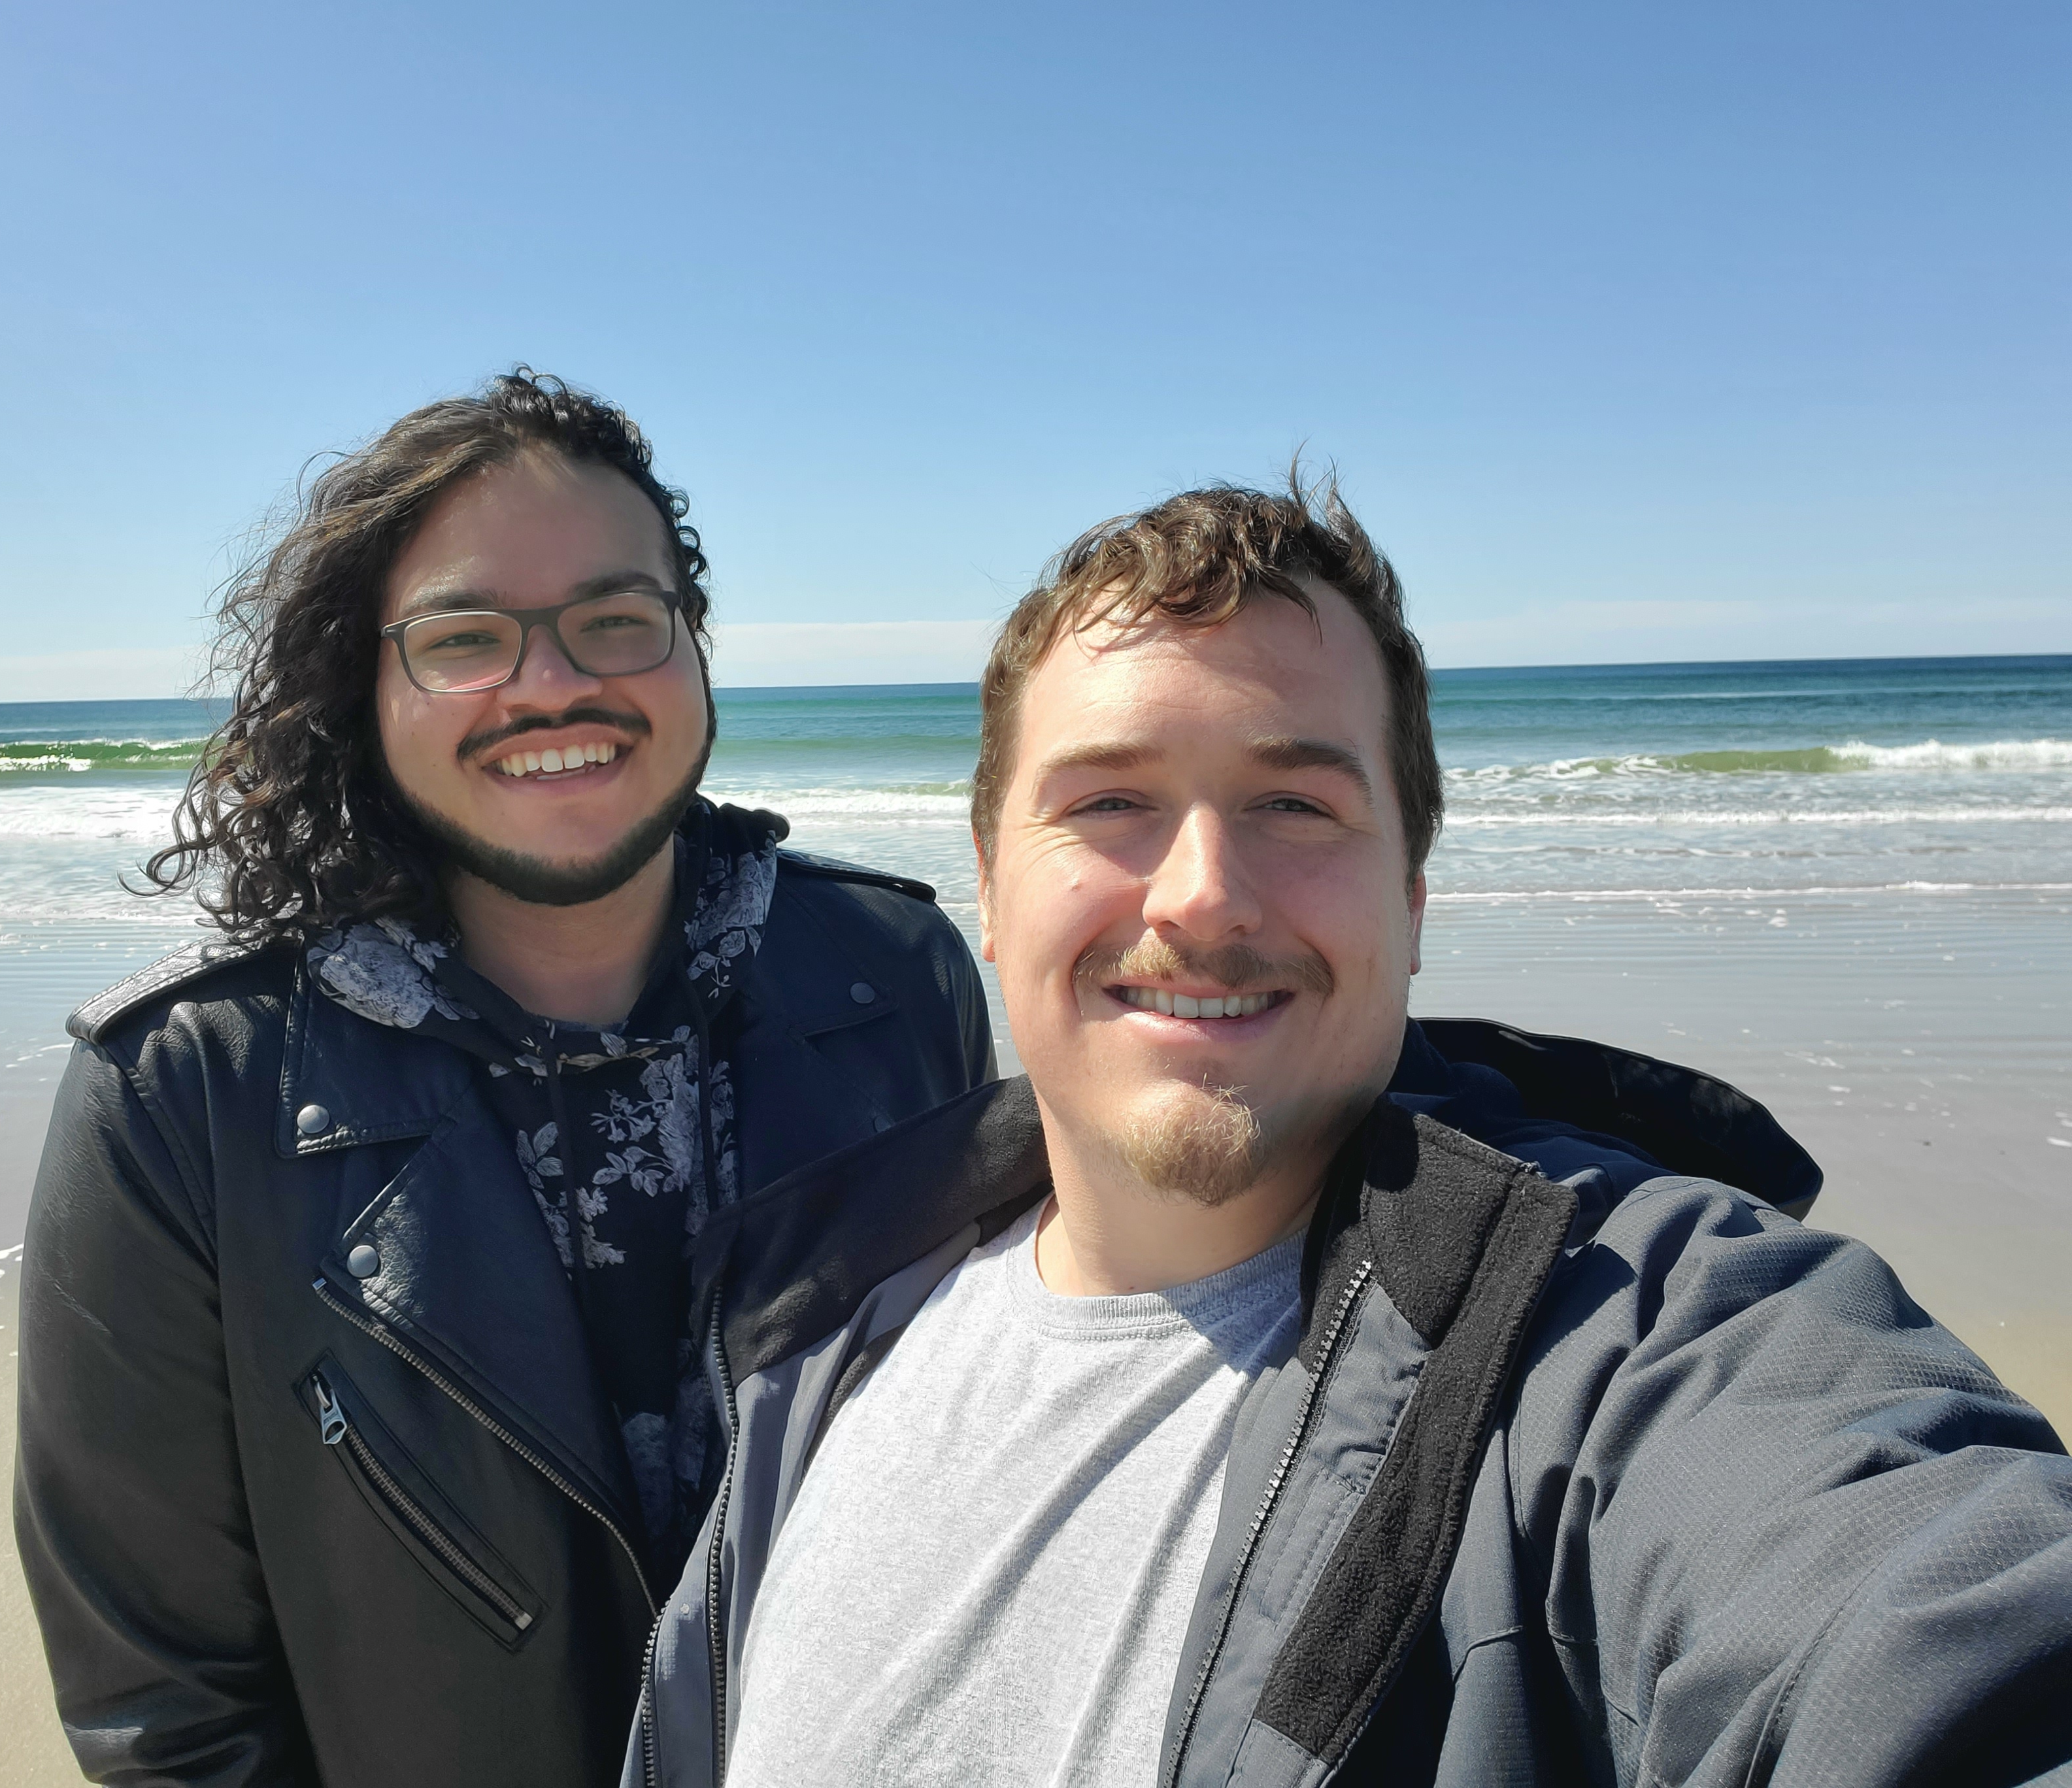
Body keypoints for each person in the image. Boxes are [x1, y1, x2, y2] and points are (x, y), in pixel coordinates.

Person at [627, 481, 2072, 1787]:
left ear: (1414, 904)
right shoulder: (811, 1322)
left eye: (1295, 803)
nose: (1202, 894)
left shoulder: (1624, 1331)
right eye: (1112, 800)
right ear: (993, 890)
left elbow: (1922, 1615)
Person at [14, 371, 995, 1786]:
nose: (550, 683)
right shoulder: (187, 1092)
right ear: (364, 690)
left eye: (617, 619)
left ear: (694, 647)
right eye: (464, 637)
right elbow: (168, 1712)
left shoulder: (893, 977)